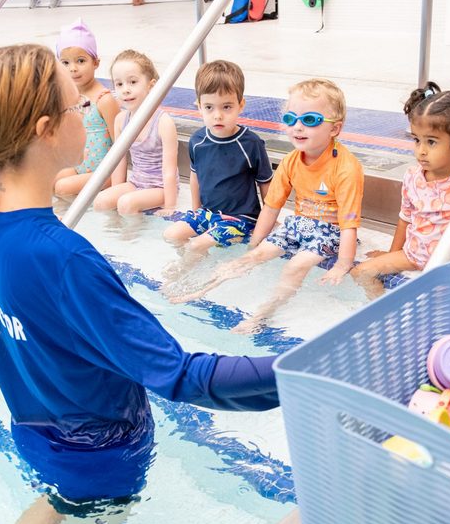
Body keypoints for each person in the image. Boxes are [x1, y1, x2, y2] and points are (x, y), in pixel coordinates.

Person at [0, 44, 279, 524]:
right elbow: (186, 376)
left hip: (37, 435)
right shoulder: (62, 259)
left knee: (51, 513)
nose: (91, 107)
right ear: (46, 130)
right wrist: (314, 369)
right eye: (77, 103)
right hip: (102, 456)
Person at [170, 78, 365, 334]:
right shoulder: (291, 161)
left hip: (331, 231)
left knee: (295, 266)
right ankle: (201, 291)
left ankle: (262, 316)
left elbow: (350, 224)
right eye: (290, 119)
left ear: (335, 129)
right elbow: (271, 207)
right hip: (298, 225)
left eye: (310, 120)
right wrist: (255, 245)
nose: (297, 127)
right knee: (253, 256)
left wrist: (343, 264)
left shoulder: (347, 168)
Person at [352, 81, 450, 299]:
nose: (420, 151)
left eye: (431, 142)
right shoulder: (413, 177)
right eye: (416, 140)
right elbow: (405, 218)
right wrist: (392, 254)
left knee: (440, 302)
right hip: (413, 255)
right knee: (360, 273)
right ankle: (383, 309)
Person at [161, 59, 272, 284]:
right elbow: (195, 177)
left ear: (241, 105)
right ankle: (196, 265)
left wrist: (267, 223)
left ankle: (187, 277)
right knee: (171, 235)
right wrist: (195, 212)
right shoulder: (197, 141)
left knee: (198, 243)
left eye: (226, 107)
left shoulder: (250, 143)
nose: (218, 115)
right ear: (198, 106)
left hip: (241, 219)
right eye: (209, 107)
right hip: (208, 213)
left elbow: (266, 184)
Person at [92, 49, 179, 215]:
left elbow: (170, 171)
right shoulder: (120, 120)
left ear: (151, 86)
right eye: (119, 84)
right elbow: (119, 161)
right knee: (101, 200)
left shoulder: (163, 123)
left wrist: (170, 207)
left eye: (132, 82)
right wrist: (116, 193)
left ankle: (130, 237)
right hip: (136, 183)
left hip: (160, 187)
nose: (125, 89)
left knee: (126, 203)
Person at [53, 19, 119, 198]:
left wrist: (117, 182)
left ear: (96, 62)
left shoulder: (103, 100)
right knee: (49, 181)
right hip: (79, 166)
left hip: (104, 173)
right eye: (65, 63)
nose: (73, 69)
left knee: (62, 188)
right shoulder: (68, 98)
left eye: (81, 61)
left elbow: (120, 145)